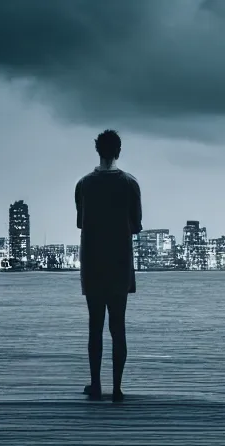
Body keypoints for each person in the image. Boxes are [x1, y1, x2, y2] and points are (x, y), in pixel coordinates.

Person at [75, 129, 142, 402]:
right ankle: (117, 388)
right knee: (118, 328)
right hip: (119, 264)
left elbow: (80, 222)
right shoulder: (130, 184)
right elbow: (136, 226)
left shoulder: (83, 184)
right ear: (119, 151)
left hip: (93, 264)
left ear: (97, 151)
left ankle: (96, 385)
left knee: (95, 327)